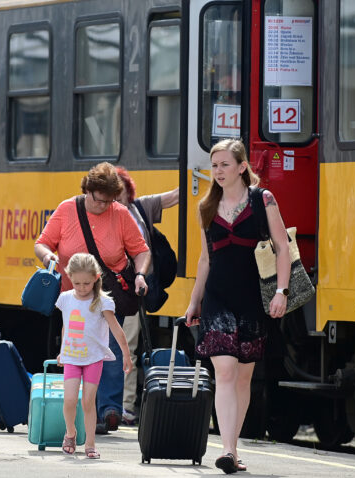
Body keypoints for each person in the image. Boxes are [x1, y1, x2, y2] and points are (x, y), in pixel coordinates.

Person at [184, 139, 290, 474]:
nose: (217, 172)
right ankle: (228, 450)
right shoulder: (206, 207)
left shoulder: (264, 200)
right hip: (218, 297)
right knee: (225, 371)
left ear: (242, 167)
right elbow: (205, 260)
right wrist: (194, 301)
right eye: (214, 166)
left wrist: (282, 292)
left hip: (253, 300)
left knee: (243, 377)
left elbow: (283, 247)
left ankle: (234, 447)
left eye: (225, 165)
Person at [34, 162, 150, 434]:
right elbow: (42, 243)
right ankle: (84, 407)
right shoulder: (66, 209)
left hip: (107, 294)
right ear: (87, 191)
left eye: (110, 201)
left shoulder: (119, 214)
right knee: (77, 350)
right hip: (73, 296)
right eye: (99, 200)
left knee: (107, 347)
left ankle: (109, 410)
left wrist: (141, 275)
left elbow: (141, 250)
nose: (104, 206)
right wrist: (48, 256)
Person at [115, 166, 179, 425]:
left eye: (120, 194)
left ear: (128, 192)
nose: (116, 200)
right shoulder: (103, 215)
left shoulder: (141, 208)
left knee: (127, 346)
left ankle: (126, 406)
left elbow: (177, 196)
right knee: (113, 347)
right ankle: (113, 403)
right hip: (112, 288)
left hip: (135, 291)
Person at [56, 253, 132, 459]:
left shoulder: (102, 302)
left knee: (88, 401)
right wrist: (63, 351)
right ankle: (70, 433)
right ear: (69, 277)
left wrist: (126, 354)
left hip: (94, 358)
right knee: (70, 399)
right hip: (72, 356)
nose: (81, 288)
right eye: (77, 283)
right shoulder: (65, 298)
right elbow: (67, 326)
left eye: (87, 283)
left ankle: (90, 444)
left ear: (96, 278)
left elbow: (117, 330)